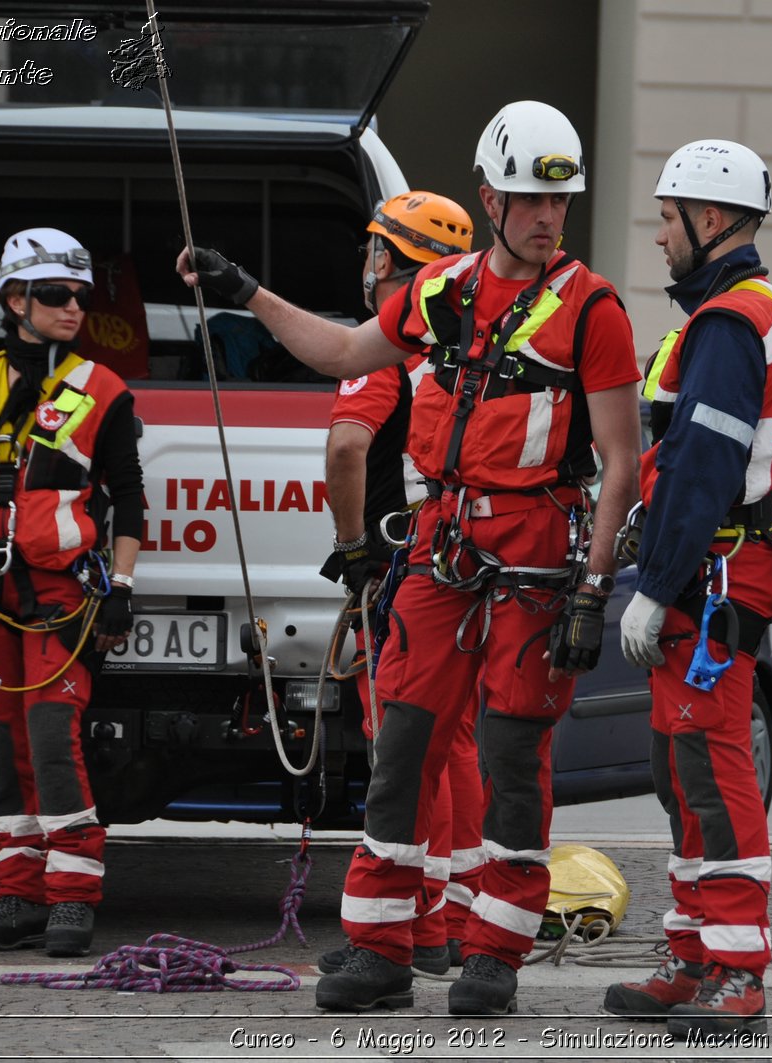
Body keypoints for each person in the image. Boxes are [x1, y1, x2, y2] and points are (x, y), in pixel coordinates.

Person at [177, 100, 641, 1015]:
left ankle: (494, 953)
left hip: (536, 557)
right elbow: (346, 349)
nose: (548, 218)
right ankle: (382, 949)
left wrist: (595, 590)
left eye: (561, 202)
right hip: (442, 548)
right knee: (402, 754)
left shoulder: (594, 309)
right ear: (490, 197)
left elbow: (622, 459)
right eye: (528, 200)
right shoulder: (445, 292)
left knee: (511, 756)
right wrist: (247, 291)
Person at [607, 140, 772, 1038]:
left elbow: (701, 466)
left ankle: (736, 969)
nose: (657, 237)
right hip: (709, 572)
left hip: (712, 576)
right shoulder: (725, 316)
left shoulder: (728, 324)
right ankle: (692, 955)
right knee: (678, 770)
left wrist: (657, 583)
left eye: (665, 218)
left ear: (710, 220)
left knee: (715, 774)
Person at [0, 227, 143, 958]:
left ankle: (71, 899)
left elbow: (129, 502)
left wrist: (122, 588)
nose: (73, 307)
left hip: (60, 590)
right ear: (15, 300)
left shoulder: (104, 391)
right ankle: (17, 893)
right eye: (54, 295)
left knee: (50, 736)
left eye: (80, 295)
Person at [316, 190, 481, 977]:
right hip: (459, 564)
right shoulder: (462, 347)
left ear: (387, 259)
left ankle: (412, 929)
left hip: (398, 571)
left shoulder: (386, 351)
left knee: (404, 747)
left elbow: (348, 450)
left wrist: (351, 549)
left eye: (373, 251)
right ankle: (451, 918)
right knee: (454, 746)